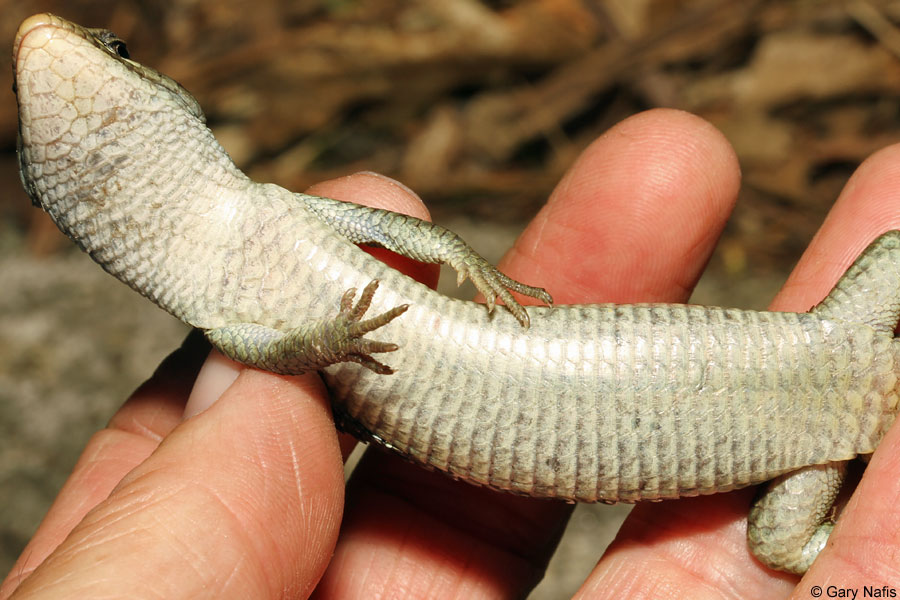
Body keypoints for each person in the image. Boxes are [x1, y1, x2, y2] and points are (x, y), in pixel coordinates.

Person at [3, 109, 898, 599]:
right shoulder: (231, 286)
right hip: (792, 416)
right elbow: (265, 348)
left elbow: (372, 234)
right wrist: (327, 343)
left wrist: (447, 261)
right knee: (783, 544)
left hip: (815, 412)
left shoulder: (268, 209)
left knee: (785, 544)